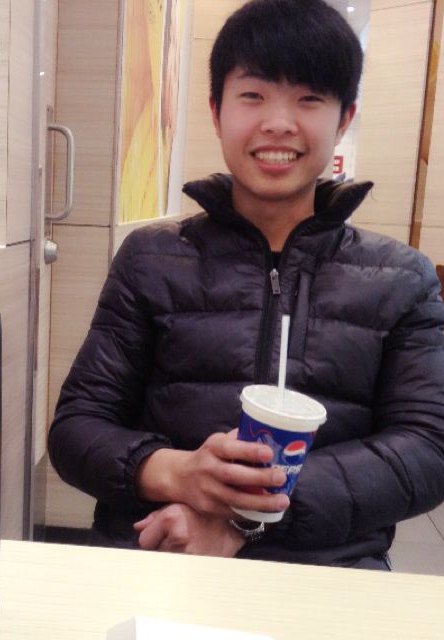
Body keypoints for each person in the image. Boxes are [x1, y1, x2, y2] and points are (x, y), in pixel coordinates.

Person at [48, 0, 444, 569]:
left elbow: (428, 450)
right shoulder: (151, 260)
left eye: (309, 98)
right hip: (159, 554)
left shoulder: (402, 279)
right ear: (216, 111)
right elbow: (76, 430)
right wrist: (178, 472)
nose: (278, 122)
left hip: (328, 572)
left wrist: (239, 517)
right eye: (253, 95)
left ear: (345, 118)